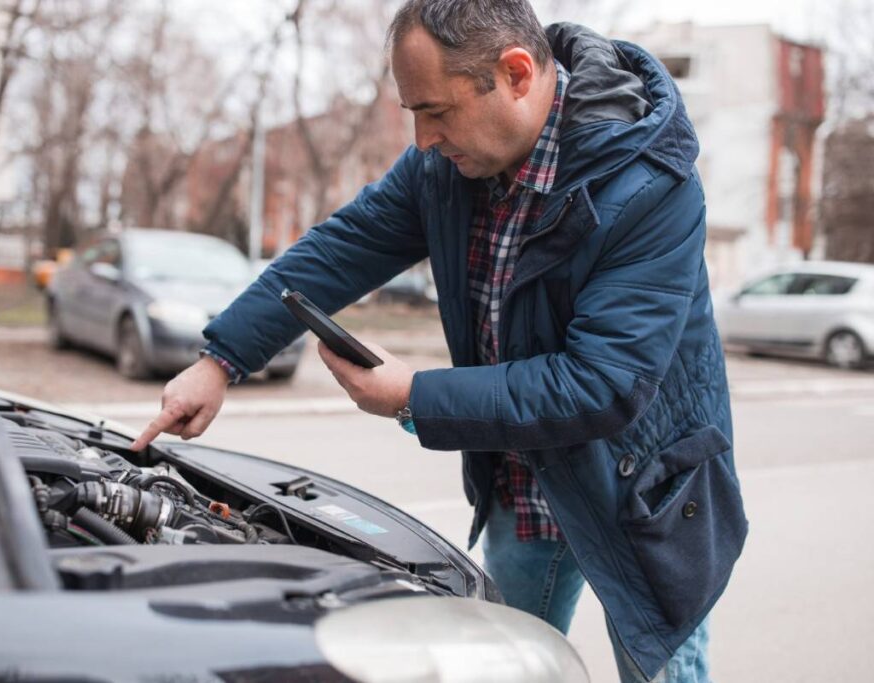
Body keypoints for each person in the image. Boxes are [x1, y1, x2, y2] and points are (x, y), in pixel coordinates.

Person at [132, 1, 747, 681]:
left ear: (515, 74)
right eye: (413, 114)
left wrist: (412, 395)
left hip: (644, 495)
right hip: (526, 478)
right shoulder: (447, 168)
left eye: (436, 111)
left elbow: (602, 383)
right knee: (503, 666)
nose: (423, 139)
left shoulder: (650, 185)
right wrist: (220, 359)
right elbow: (340, 249)